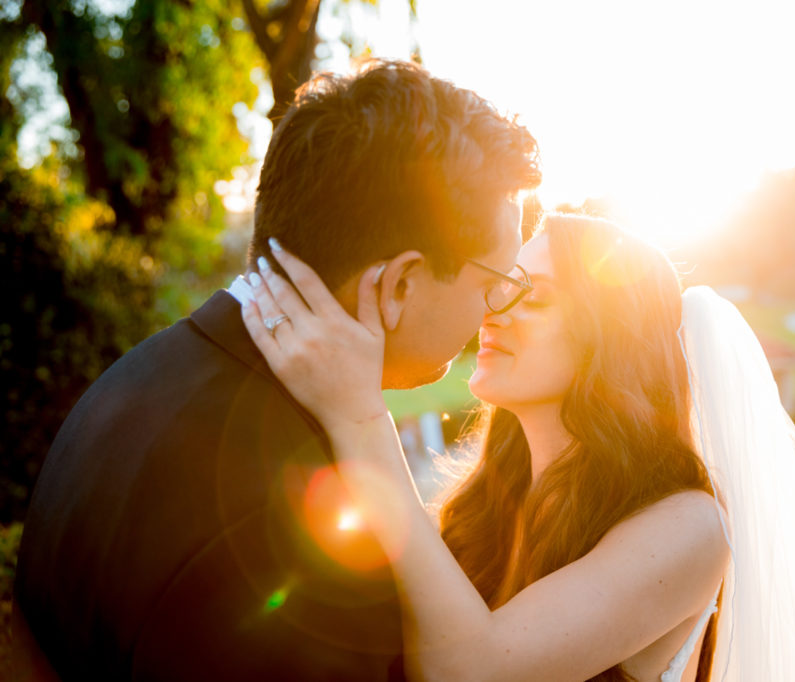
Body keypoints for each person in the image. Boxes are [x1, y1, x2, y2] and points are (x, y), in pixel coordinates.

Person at [13, 60, 540, 681]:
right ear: (398, 283)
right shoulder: (306, 537)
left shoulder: (134, 377)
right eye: (497, 280)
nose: (493, 312)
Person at [239, 213, 795, 681]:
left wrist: (359, 414)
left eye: (534, 296)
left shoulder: (691, 527)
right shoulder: (483, 499)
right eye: (500, 286)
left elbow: (471, 670)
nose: (493, 310)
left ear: (609, 341)